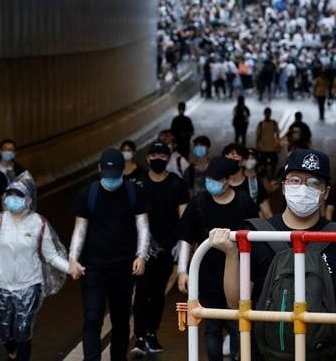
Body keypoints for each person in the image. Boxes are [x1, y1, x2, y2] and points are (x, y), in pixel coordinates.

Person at [209, 149, 336, 360]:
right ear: (284, 187)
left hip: (325, 355)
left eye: (313, 183)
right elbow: (235, 301)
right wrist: (231, 254)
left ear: (326, 192)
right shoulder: (256, 234)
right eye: (295, 180)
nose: (303, 188)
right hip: (265, 354)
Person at [0, 172, 72, 361]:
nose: (12, 199)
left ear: (29, 200)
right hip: (2, 285)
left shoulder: (39, 223)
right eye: (9, 195)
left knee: (22, 330)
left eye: (18, 196)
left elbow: (52, 256)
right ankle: (12, 352)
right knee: (5, 334)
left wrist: (71, 267)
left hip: (30, 285)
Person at [68, 149, 150, 361]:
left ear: (123, 171)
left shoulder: (134, 192)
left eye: (115, 176)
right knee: (92, 319)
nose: (111, 180)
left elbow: (143, 226)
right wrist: (73, 259)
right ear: (99, 170)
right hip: (93, 268)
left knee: (121, 321)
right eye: (107, 175)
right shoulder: (88, 193)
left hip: (123, 269)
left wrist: (141, 255)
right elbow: (80, 228)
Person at [177, 156, 259, 361]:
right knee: (211, 328)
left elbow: (255, 242)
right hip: (207, 277)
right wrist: (182, 271)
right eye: (208, 178)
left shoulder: (244, 203)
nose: (210, 183)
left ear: (230, 180)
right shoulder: (199, 202)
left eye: (216, 179)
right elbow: (185, 237)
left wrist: (253, 278)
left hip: (237, 278)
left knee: (237, 326)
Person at [131, 141, 189, 355]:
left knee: (157, 294)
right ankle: (138, 336)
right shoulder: (138, 185)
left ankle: (152, 334)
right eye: (154, 155)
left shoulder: (177, 184)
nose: (158, 159)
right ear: (147, 158)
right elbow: (132, 218)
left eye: (163, 156)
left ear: (169, 158)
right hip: (142, 251)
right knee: (141, 293)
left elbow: (184, 217)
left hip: (166, 250)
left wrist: (183, 244)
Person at [222, 143, 272, 219]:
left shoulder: (255, 185)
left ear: (244, 161)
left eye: (234, 156)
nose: (230, 160)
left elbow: (267, 214)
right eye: (227, 157)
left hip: (247, 229)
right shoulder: (219, 184)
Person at [256, 107, 280, 179]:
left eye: (268, 113)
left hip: (265, 148)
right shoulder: (273, 123)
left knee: (264, 164)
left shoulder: (261, 124)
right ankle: (271, 176)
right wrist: (278, 145)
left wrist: (257, 147)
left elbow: (258, 137)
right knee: (273, 164)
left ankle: (267, 177)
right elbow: (277, 135)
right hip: (270, 148)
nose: (267, 114)